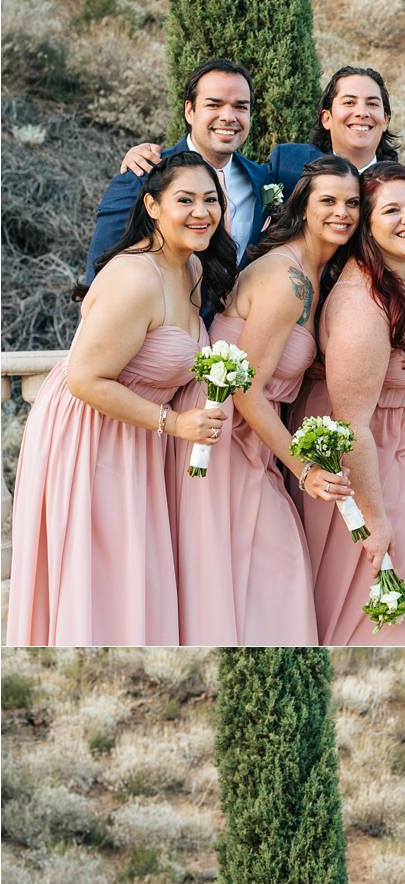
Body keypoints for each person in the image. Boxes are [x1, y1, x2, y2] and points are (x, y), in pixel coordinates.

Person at [8, 154, 235, 647]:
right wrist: (175, 424)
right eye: (185, 200)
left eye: (211, 199)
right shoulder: (135, 277)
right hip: (90, 436)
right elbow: (86, 379)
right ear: (152, 206)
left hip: (137, 437)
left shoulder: (192, 268)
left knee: (135, 576)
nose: (202, 212)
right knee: (100, 579)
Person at [176, 155, 362, 645]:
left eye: (352, 202)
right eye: (328, 201)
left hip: (252, 437)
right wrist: (305, 469)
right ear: (301, 208)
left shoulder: (320, 272)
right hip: (224, 435)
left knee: (258, 582)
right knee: (274, 573)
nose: (341, 211)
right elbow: (245, 388)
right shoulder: (287, 279)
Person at [299, 163, 405, 646]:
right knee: (389, 616)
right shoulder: (361, 304)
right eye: (390, 210)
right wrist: (374, 519)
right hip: (376, 475)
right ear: (366, 225)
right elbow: (351, 426)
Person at [86, 58, 270, 285]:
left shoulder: (264, 180)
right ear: (190, 111)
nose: (228, 117)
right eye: (214, 105)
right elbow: (100, 272)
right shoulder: (143, 174)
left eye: (241, 107)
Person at [268, 65, 405, 203]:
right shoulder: (287, 163)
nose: (362, 112)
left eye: (372, 104)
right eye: (349, 102)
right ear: (326, 118)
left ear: (385, 120)